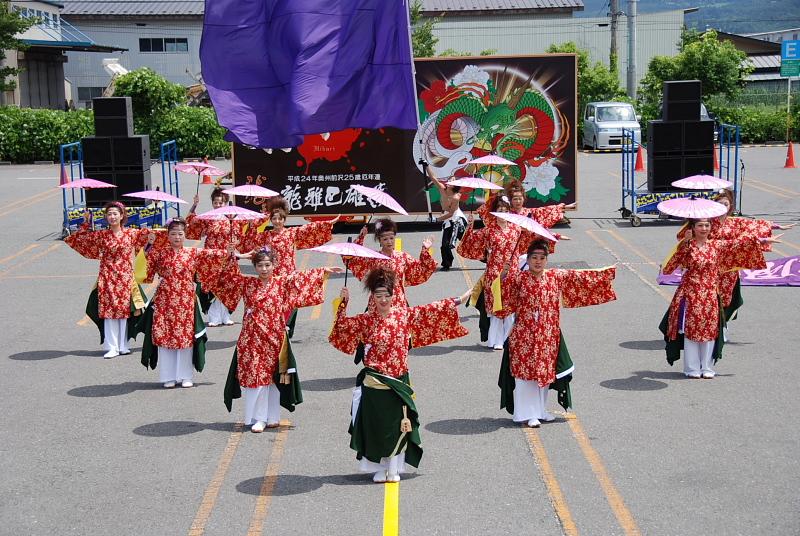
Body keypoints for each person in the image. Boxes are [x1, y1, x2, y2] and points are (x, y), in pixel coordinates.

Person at [329, 268, 470, 482]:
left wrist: (458, 300)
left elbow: (430, 310)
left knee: (397, 426)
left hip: (398, 381)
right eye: (378, 296)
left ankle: (394, 468)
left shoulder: (403, 315)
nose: (383, 300)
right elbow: (341, 329)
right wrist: (342, 304)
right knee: (377, 427)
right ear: (372, 298)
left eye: (387, 295)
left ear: (394, 295)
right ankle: (378, 467)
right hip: (375, 381)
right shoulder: (365, 320)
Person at [213, 247, 342, 432]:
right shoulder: (247, 283)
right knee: (256, 376)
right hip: (252, 338)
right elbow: (229, 278)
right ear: (254, 266)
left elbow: (300, 279)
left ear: (274, 265)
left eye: (267, 265)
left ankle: (272, 416)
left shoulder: (282, 282)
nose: (264, 269)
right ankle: (258, 417)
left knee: (273, 377)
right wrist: (231, 256)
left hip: (274, 337)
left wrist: (322, 272)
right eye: (260, 265)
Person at [499, 241, 616, 427]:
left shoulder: (555, 276)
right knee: (526, 375)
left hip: (548, 334)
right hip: (524, 335)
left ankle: (540, 410)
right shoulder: (519, 278)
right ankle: (527, 414)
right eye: (534, 258)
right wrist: (504, 275)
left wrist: (606, 273)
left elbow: (581, 278)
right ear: (527, 260)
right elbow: (503, 297)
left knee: (544, 373)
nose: (538, 261)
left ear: (546, 260)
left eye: (542, 258)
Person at [660, 218, 778, 379]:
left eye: (707, 225)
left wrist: (762, 240)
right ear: (692, 228)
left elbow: (738, 244)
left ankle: (707, 367)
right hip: (691, 293)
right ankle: (692, 367)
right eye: (700, 225)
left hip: (710, 293)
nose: (704, 228)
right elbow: (669, 268)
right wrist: (684, 244)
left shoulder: (716, 245)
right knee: (691, 330)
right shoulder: (687, 246)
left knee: (709, 330)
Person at [676, 189, 793, 337]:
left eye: (726, 204)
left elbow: (753, 228)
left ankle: (720, 326)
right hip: (708, 264)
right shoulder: (706, 222)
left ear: (730, 206)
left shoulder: (735, 222)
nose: (723, 208)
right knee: (705, 298)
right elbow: (686, 238)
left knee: (725, 299)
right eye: (719, 204)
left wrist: (774, 227)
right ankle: (700, 326)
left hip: (729, 268)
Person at [140, 218, 239, 388]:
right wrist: (148, 245)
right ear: (168, 236)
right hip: (165, 300)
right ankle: (168, 376)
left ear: (185, 235)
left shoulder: (192, 252)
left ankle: (186, 375)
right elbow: (144, 268)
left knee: (185, 338)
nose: (177, 237)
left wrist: (228, 251)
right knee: (165, 337)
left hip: (185, 300)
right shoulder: (160, 252)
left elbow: (213, 256)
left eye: (180, 234)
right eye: (173, 234)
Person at [241, 196, 338, 337]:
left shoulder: (291, 233)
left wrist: (327, 224)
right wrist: (253, 223)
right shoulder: (266, 235)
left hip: (288, 273)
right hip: (271, 275)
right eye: (274, 219)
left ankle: (287, 329)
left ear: (284, 220)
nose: (277, 221)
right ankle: (275, 328)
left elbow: (308, 228)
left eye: (280, 219)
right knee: (273, 302)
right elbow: (249, 239)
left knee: (291, 301)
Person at [65, 202, 150, 358]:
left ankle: (123, 344)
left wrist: (159, 231)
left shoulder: (132, 233)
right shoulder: (102, 235)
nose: (112, 217)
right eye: (109, 214)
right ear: (106, 217)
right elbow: (80, 239)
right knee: (109, 312)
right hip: (107, 276)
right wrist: (86, 222)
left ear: (122, 216)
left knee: (124, 311)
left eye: (115, 213)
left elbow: (149, 240)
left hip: (125, 276)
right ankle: (111, 346)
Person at [457, 195, 540, 350]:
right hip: (494, 273)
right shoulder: (488, 230)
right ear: (494, 212)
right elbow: (470, 243)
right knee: (496, 306)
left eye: (505, 210)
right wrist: (469, 226)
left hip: (512, 272)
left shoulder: (516, 229)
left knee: (510, 307)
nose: (502, 213)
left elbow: (527, 247)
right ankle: (495, 340)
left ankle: (510, 340)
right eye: (499, 210)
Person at [186, 187, 265, 326]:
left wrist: (260, 212)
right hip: (211, 259)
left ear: (226, 202)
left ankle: (225, 315)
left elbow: (250, 227)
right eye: (215, 202)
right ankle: (213, 316)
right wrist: (194, 205)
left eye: (221, 202)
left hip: (229, 259)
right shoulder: (208, 218)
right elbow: (192, 225)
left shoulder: (233, 218)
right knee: (210, 287)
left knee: (230, 286)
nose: (218, 205)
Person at [426, 167, 467, 271]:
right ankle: (446, 264)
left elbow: (451, 213)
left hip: (457, 220)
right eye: (450, 179)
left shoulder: (456, 197)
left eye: (453, 181)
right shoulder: (442, 189)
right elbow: (433, 177)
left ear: (456, 186)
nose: (449, 182)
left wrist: (436, 219)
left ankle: (485, 257)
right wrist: (426, 166)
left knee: (467, 243)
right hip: (448, 220)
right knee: (445, 244)